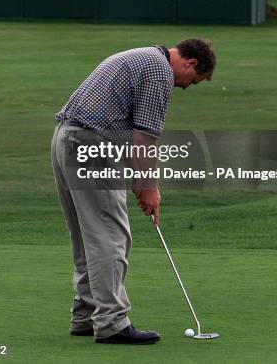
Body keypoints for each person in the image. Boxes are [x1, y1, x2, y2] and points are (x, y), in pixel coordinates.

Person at [51, 39, 215, 345]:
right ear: (190, 64)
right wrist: (149, 188)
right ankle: (112, 321)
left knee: (88, 236)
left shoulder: (141, 56)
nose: (186, 87)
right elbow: (143, 139)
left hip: (65, 138)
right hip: (91, 145)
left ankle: (86, 316)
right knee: (111, 236)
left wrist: (140, 183)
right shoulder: (160, 73)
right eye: (193, 81)